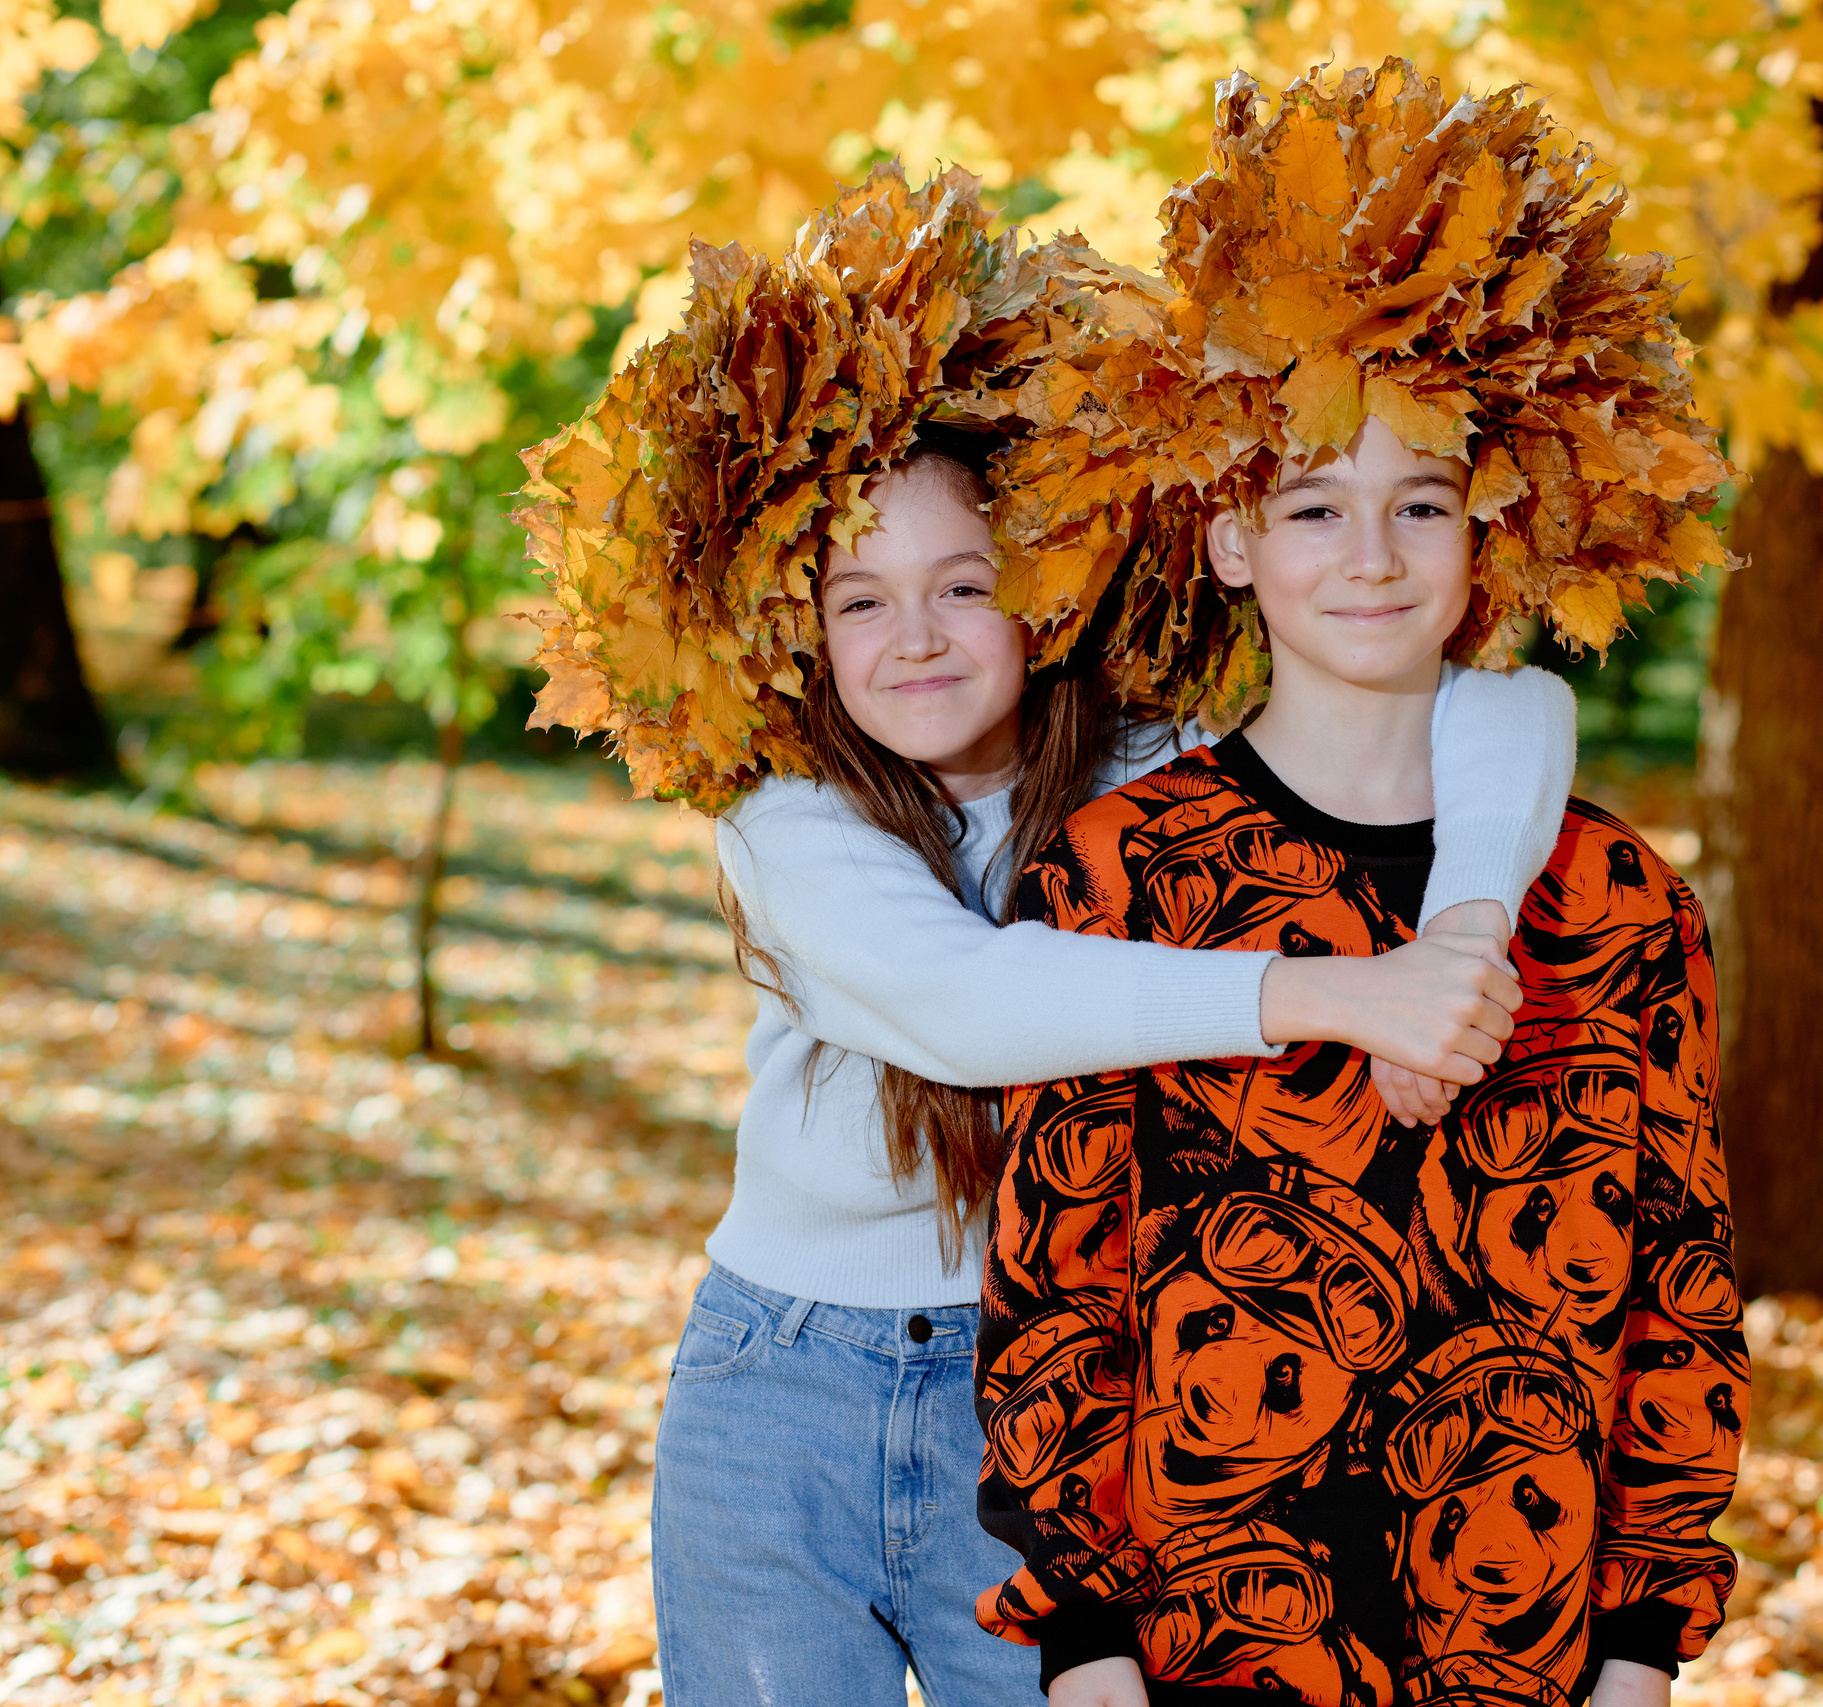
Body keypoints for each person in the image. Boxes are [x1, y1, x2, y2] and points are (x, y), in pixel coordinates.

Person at [516, 168, 1578, 1707]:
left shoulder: (1146, 768)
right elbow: (968, 1003)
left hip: (1049, 1386)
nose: (921, 638)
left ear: (1039, 588)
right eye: (860, 602)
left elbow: (1506, 706)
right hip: (781, 1393)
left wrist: (1466, 925)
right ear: (799, 631)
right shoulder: (786, 817)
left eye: (964, 584)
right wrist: (1341, 995)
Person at [973, 63, 1748, 1707]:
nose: (1374, 555)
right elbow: (1059, 1289)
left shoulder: (1617, 901)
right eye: (1313, 505)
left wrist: (1642, 1654)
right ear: (1231, 542)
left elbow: (1682, 1287)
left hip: (1529, 1658)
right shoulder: (1124, 873)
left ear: (1491, 529)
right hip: (1208, 1648)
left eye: (1421, 505)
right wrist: (1088, 1653)